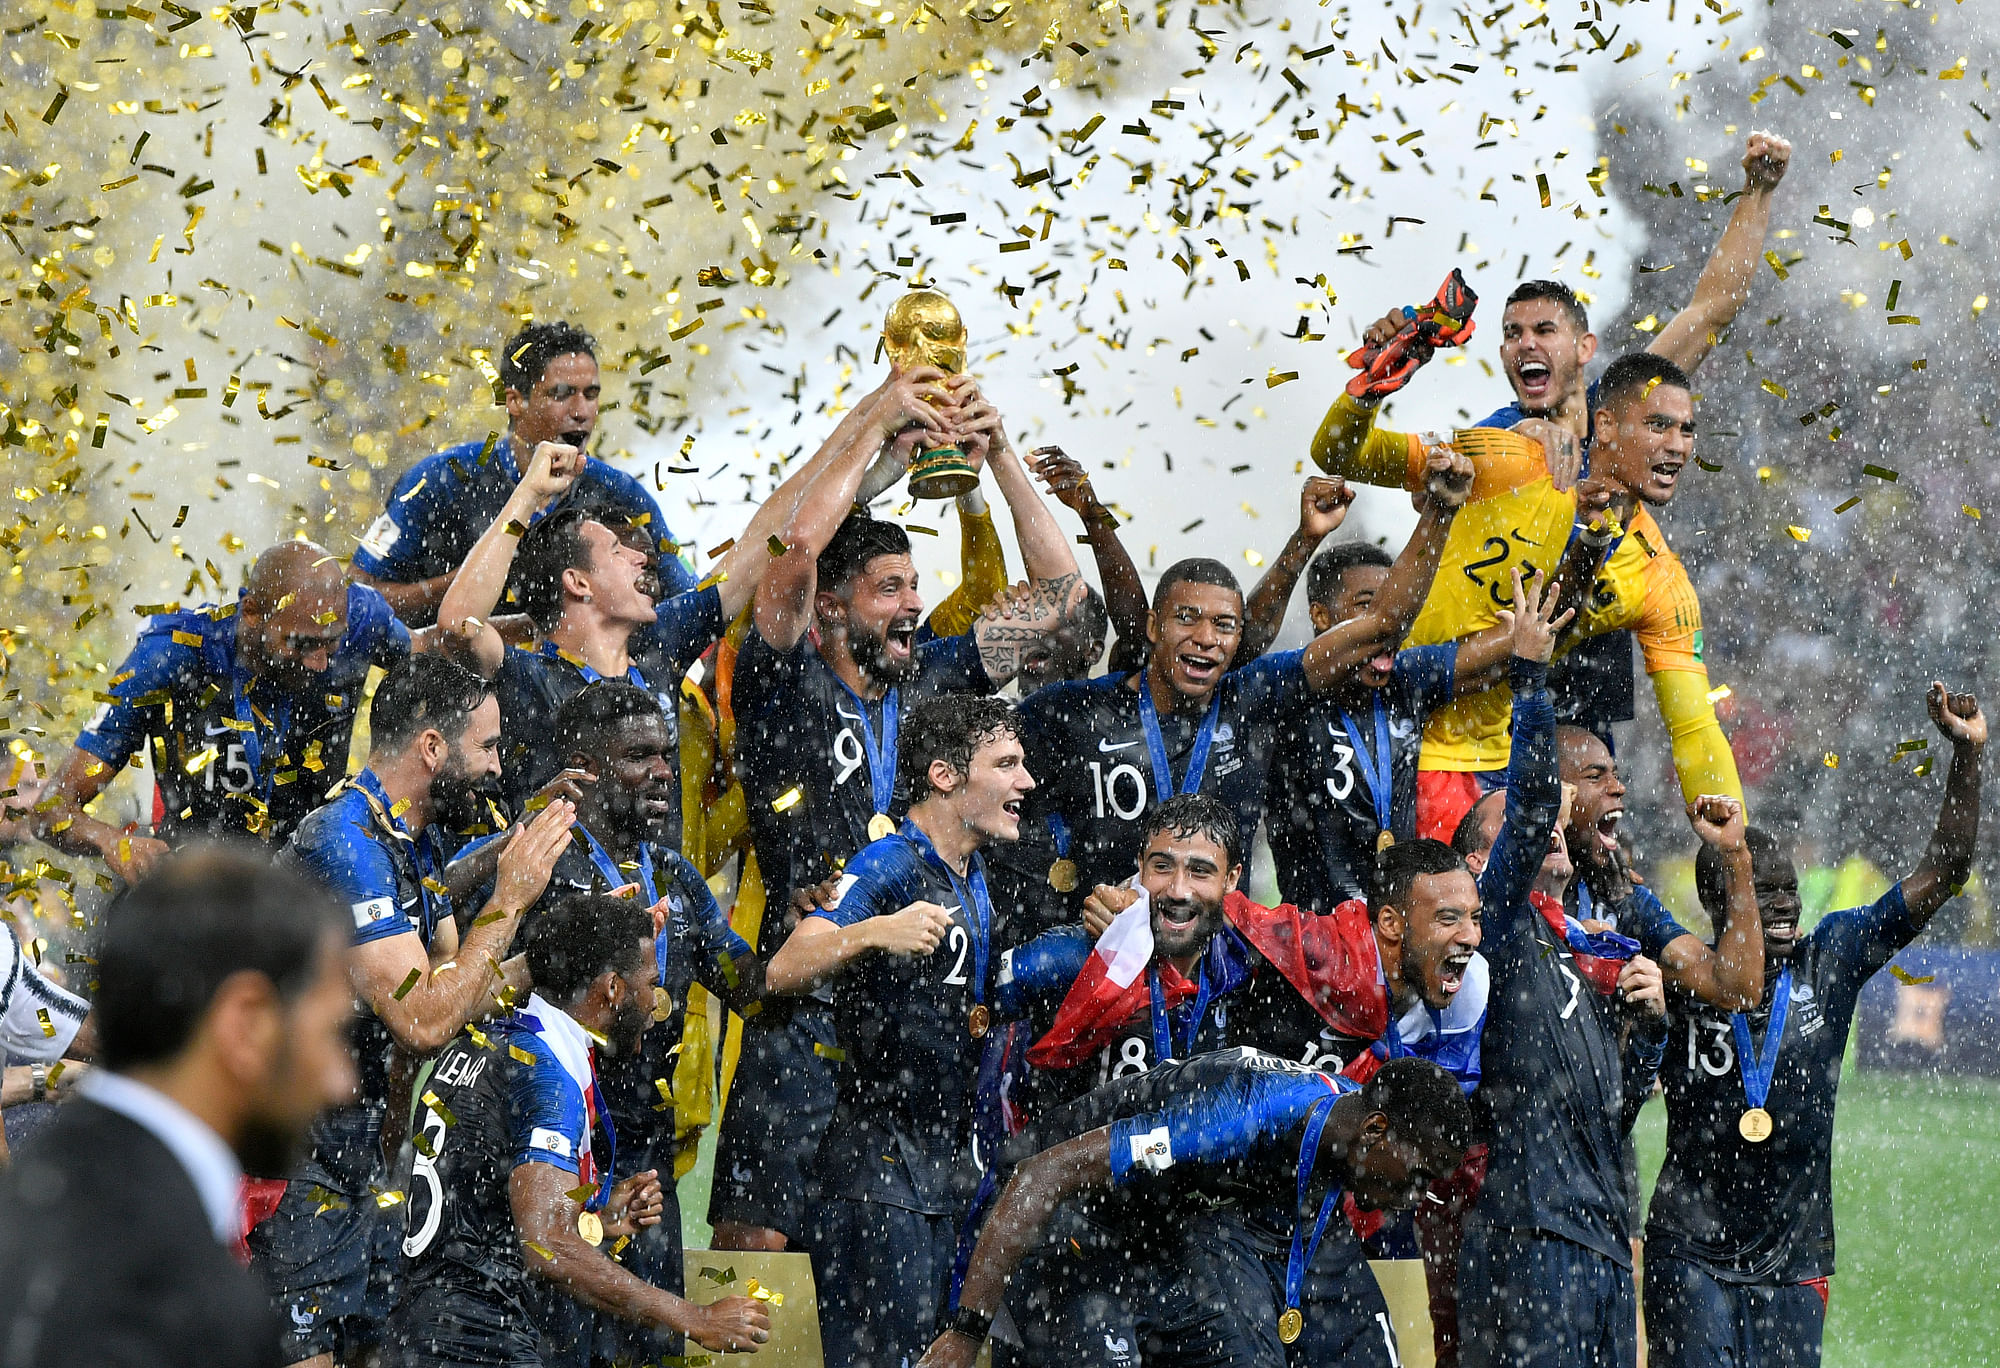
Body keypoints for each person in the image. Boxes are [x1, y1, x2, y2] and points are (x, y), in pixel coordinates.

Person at [713, 363, 1085, 1252]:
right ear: (831, 609)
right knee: (758, 1250)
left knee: (897, 1260)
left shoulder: (936, 683)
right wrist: (879, 418)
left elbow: (1066, 601)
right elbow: (791, 553)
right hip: (809, 997)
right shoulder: (781, 679)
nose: (915, 604)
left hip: (913, 1016)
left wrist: (996, 459)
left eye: (914, 586)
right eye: (890, 589)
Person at [1324, 133, 1791, 768]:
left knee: (1590, 802)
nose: (1525, 346)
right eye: (1512, 334)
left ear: (1584, 347)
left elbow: (1713, 310)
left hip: (1584, 664)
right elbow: (1409, 486)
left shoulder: (1624, 407)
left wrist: (1758, 192)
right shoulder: (1498, 435)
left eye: (1544, 330)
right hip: (1493, 687)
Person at [1645, 683, 1984, 1368]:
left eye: (1788, 891)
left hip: (1795, 1262)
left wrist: (1968, 756)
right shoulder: (1684, 975)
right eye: (1761, 892)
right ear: (1721, 901)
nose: (1782, 907)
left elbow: (1944, 871)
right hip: (1690, 1252)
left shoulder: (1831, 957)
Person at [259, 656, 576, 1368]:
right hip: (291, 1159)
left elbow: (456, 989)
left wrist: (558, 953)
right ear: (433, 746)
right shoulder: (345, 841)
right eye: (489, 747)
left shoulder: (409, 838)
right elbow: (424, 1019)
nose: (499, 769)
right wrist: (512, 896)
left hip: (364, 1159)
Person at [1312, 344, 1743, 844]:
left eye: (1687, 430)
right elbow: (1341, 453)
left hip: (1501, 771)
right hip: (1393, 742)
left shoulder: (1658, 578)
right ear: (1604, 427)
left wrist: (1736, 847)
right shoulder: (1512, 458)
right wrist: (1368, 392)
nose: (1678, 445)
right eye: (1659, 425)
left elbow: (1693, 727)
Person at [1015, 449, 1473, 916]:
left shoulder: (1251, 701)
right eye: (1187, 619)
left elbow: (1383, 624)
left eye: (1224, 626)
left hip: (1224, 964)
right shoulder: (1074, 711)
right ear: (1155, 628)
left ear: (1239, 640)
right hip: (1104, 950)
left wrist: (1440, 510)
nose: (1206, 638)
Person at [1456, 737, 1757, 1368]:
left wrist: (1649, 1029)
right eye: (1596, 777)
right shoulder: (1502, 922)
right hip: (1529, 1218)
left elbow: (1735, 988)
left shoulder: (1617, 910)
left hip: (1602, 1216)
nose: (1618, 790)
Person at [0, 848, 356, 1368]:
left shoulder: (49, 1193)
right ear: (246, 1021)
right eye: (329, 1033)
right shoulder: (178, 1301)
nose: (341, 1081)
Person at [760, 694, 1033, 1368]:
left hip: (941, 1175)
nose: (1026, 782)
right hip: (875, 1180)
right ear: (945, 776)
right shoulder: (888, 865)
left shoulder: (973, 874)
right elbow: (784, 968)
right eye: (1007, 765)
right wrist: (875, 931)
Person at [496, 681, 765, 1365]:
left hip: (646, 1164)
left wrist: (837, 921)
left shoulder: (674, 873)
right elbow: (479, 995)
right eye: (639, 755)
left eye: (667, 756)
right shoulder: (538, 870)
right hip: (554, 1151)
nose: (663, 773)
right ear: (584, 768)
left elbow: (750, 987)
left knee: (654, 1351)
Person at [386, 893, 771, 1365]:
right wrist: (697, 1319)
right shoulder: (546, 1074)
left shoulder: (491, 1039)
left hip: (420, 1331)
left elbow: (484, 1203)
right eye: (651, 984)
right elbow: (546, 1246)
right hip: (480, 1342)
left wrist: (598, 1214)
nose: (656, 1003)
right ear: (612, 988)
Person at [912, 1051, 1477, 1368]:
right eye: (1421, 1174)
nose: (1418, 1196)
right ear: (1375, 1131)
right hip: (1071, 1220)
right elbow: (1042, 1175)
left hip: (1168, 1230)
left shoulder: (1345, 1123)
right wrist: (966, 1332)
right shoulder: (1236, 1120)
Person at [435, 408, 863, 819]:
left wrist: (874, 424)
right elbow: (458, 623)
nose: (641, 559)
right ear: (577, 583)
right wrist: (529, 495)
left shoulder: (658, 644)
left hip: (666, 889)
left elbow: (768, 539)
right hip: (573, 893)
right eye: (617, 552)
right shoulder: (529, 681)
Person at [35, 541, 419, 877]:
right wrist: (111, 841)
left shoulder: (365, 619)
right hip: (204, 889)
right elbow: (50, 810)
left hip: (316, 881)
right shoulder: (171, 655)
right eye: (301, 643)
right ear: (251, 612)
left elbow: (434, 666)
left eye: (331, 643)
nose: (319, 662)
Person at [351, 320, 692, 625]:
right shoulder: (440, 480)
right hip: (456, 683)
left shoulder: (619, 493)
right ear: (515, 401)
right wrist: (472, 578)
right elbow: (354, 597)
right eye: (561, 395)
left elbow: (689, 600)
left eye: (591, 395)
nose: (580, 411)